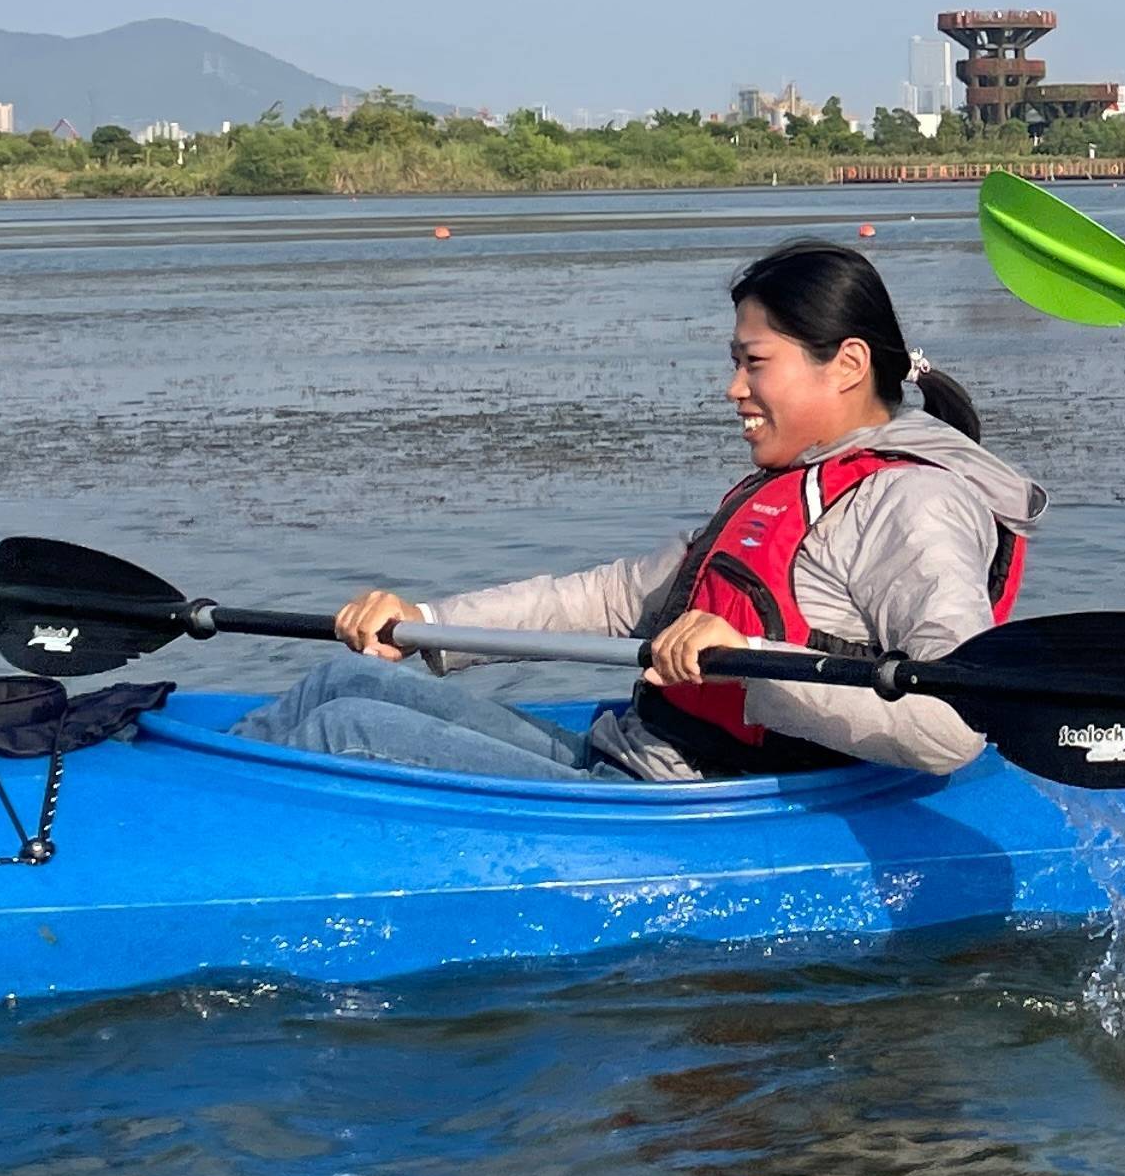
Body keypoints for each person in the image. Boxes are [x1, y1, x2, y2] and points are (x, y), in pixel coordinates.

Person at [234, 240, 1040, 781]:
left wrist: (754, 660)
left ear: (848, 365)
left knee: (349, 735)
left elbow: (955, 724)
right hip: (631, 752)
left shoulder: (914, 501)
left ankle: (173, 836)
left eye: (753, 363)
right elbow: (613, 600)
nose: (733, 390)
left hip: (686, 799)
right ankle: (160, 795)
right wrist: (423, 621)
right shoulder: (798, 480)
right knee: (340, 684)